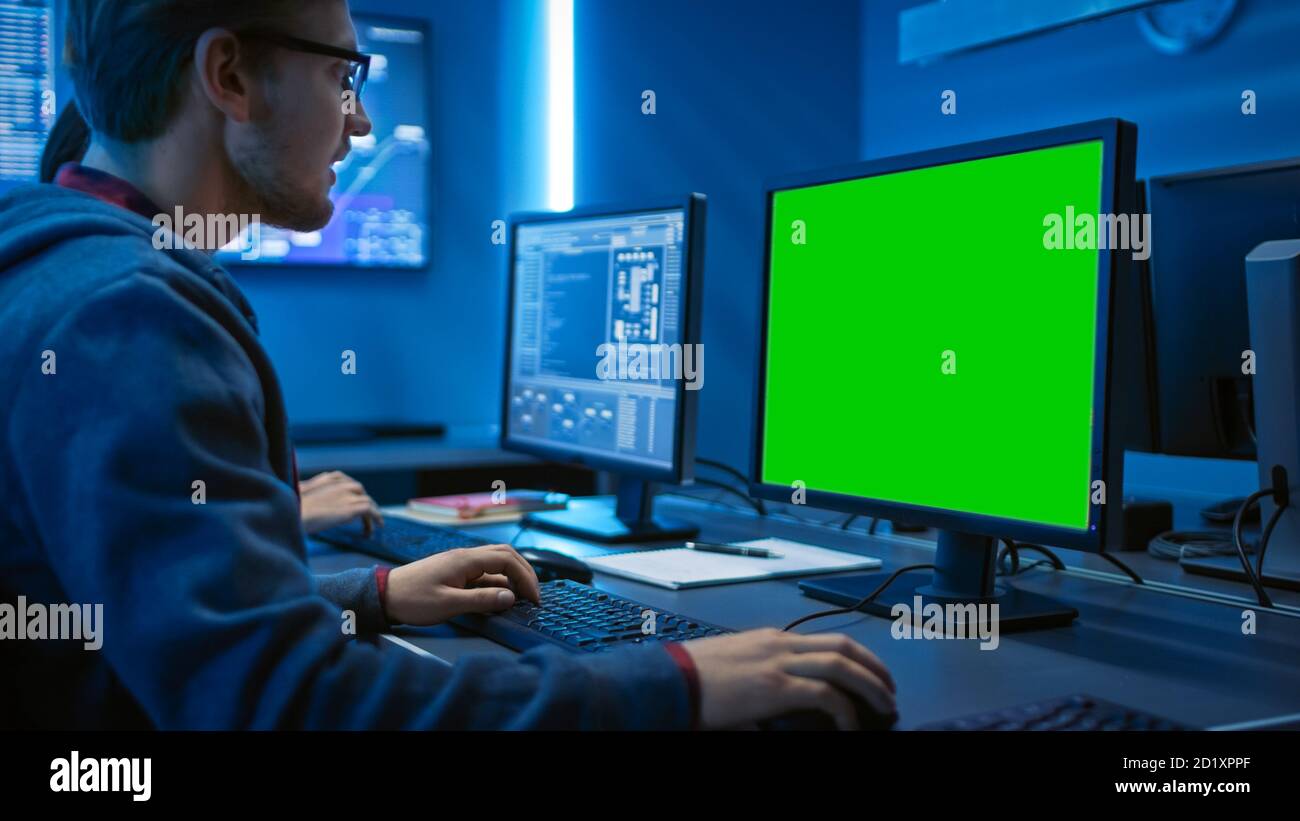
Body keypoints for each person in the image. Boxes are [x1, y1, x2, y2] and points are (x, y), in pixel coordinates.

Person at [0, 0, 895, 730]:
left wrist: (374, 592)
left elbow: (169, 624)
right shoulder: (129, 320)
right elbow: (290, 706)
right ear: (229, 76)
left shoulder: (62, 271)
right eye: (342, 74)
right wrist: (678, 683)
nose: (362, 119)